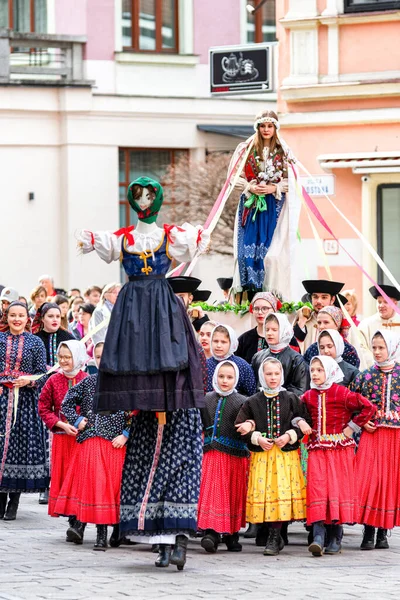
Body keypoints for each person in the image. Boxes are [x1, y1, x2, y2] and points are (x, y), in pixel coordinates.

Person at [77, 176, 208, 569]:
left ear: (159, 198)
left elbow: (196, 240)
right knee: (133, 352)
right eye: (139, 194)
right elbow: (88, 241)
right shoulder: (121, 238)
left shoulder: (170, 235)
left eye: (150, 194)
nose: (145, 199)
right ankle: (160, 538)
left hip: (159, 305)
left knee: (170, 349)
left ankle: (174, 539)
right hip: (134, 306)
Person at [55, 341, 130, 551]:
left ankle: (114, 530)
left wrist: (126, 434)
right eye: (98, 356)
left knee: (111, 489)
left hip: (115, 444)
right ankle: (99, 533)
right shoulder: (89, 382)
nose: (103, 360)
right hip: (91, 442)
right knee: (94, 487)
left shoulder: (125, 385)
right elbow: (66, 402)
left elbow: (136, 412)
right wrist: (77, 420)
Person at [299, 356, 374, 556]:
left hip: (340, 450)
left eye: (319, 370)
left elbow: (368, 407)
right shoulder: (308, 396)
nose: (314, 374)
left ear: (330, 371)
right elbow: (296, 411)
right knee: (317, 489)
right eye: (312, 370)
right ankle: (318, 535)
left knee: (336, 491)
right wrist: (300, 422)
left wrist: (352, 427)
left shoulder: (342, 394)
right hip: (317, 449)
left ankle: (335, 536)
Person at [235, 357, 309, 556]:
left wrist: (289, 435)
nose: (273, 377)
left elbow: (304, 423)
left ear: (282, 375)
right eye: (268, 374)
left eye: (276, 373)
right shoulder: (252, 401)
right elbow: (239, 428)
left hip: (285, 457)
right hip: (263, 457)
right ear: (262, 375)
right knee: (266, 495)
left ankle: (275, 537)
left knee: (281, 494)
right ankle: (271, 533)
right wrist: (257, 438)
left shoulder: (291, 398)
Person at [230, 110, 291, 293]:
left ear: (275, 128)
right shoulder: (246, 149)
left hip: (274, 204)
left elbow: (294, 180)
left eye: (269, 126)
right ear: (257, 128)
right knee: (244, 254)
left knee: (270, 255)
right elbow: (232, 176)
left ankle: (271, 294)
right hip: (251, 205)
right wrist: (250, 187)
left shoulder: (284, 151)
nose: (266, 129)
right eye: (262, 126)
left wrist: (274, 188)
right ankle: (249, 292)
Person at [351, 330, 400, 551]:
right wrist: (361, 422)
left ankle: (383, 532)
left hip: (395, 438)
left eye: (382, 347)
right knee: (370, 480)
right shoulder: (365, 376)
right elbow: (351, 405)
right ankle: (368, 530)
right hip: (372, 436)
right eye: (375, 348)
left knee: (388, 482)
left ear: (392, 348)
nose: (378, 352)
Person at [0, 302, 49, 520]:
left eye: (20, 315)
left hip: (26, 404)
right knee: (1, 447)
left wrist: (27, 381)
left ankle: (14, 501)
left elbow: (43, 374)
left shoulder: (35, 342)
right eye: (12, 315)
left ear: (27, 318)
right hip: (2, 401)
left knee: (19, 448)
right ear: (6, 317)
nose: (17, 319)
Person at [198, 361, 249, 553]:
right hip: (210, 454)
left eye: (229, 377)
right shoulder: (206, 399)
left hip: (234, 456)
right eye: (221, 376)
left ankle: (232, 534)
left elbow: (248, 423)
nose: (225, 381)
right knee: (212, 492)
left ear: (236, 379)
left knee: (231, 493)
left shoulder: (242, 401)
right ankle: (210, 531)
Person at [38, 341, 88, 525]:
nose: (64, 361)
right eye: (61, 357)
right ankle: (71, 517)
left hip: (82, 437)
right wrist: (60, 424)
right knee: (65, 475)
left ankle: (78, 518)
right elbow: (43, 408)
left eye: (68, 357)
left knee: (79, 476)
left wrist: (83, 423)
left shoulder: (87, 379)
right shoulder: (53, 380)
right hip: (61, 437)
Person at [252, 313, 307, 396]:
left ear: (283, 331)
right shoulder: (258, 357)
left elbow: (300, 389)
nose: (269, 333)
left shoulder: (296, 359)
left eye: (274, 330)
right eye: (267, 329)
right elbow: (253, 385)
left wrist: (279, 396)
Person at [236, 292, 299, 364]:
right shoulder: (244, 339)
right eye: (256, 308)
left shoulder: (288, 339)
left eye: (265, 308)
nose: (260, 312)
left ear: (274, 310)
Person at [294, 280, 346, 351]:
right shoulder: (304, 321)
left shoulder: (343, 323)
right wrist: (301, 322)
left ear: (332, 299)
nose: (318, 301)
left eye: (324, 297)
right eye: (315, 297)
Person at [207, 324, 257, 397]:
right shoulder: (204, 365)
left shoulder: (242, 366)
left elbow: (251, 394)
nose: (218, 345)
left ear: (231, 343)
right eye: (215, 341)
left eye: (223, 342)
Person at [358, 285, 400, 366]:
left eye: (386, 302)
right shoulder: (366, 325)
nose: (381, 305)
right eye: (379, 302)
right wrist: (378, 366)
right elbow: (361, 349)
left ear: (395, 304)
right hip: (374, 371)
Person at [33, 303, 75, 368]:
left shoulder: (69, 338)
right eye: (50, 316)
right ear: (42, 319)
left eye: (58, 316)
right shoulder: (35, 339)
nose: (55, 319)